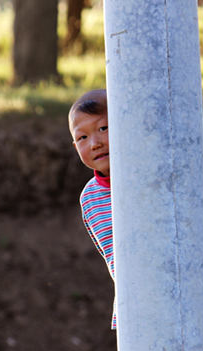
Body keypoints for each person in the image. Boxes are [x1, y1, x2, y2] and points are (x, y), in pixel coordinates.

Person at [68, 89, 117, 329]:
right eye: (83, 138)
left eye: (103, 129)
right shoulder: (89, 199)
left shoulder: (150, 175)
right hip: (130, 309)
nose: (95, 143)